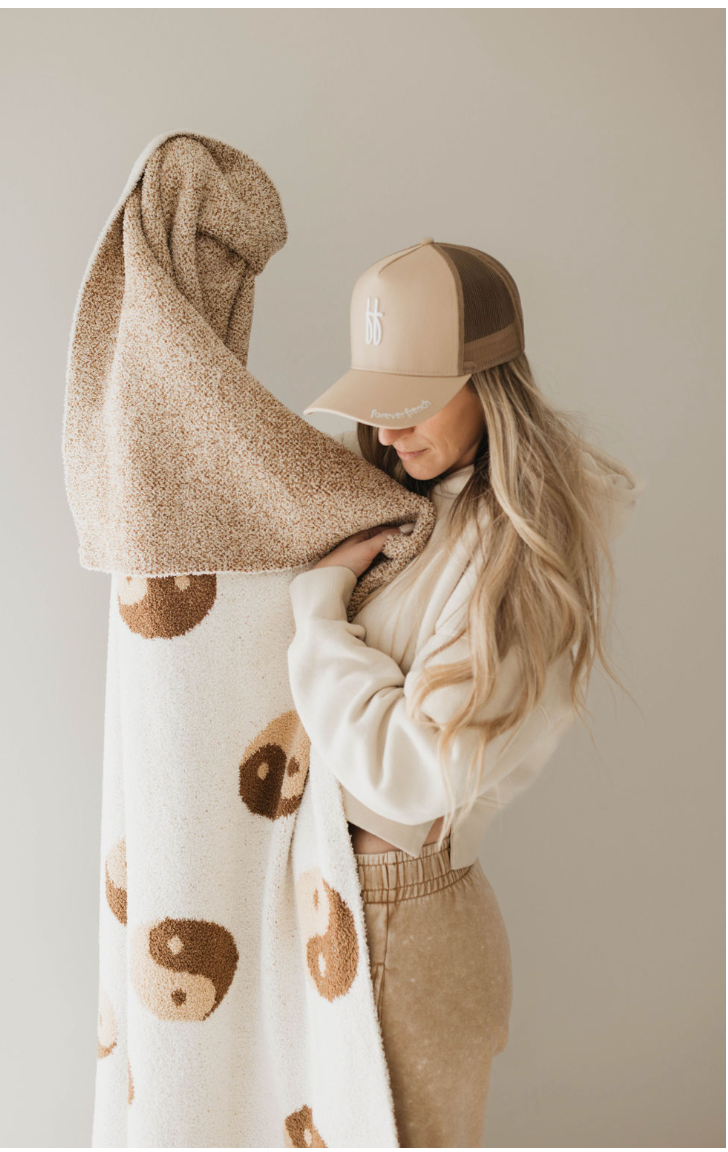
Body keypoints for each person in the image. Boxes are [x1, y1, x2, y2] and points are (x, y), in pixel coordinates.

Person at [286, 239, 645, 1148]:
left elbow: (412, 774)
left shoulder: (518, 555)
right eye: (377, 405)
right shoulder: (437, 506)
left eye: (411, 404)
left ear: (489, 385)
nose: (388, 434)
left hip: (402, 923)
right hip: (352, 904)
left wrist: (320, 611)